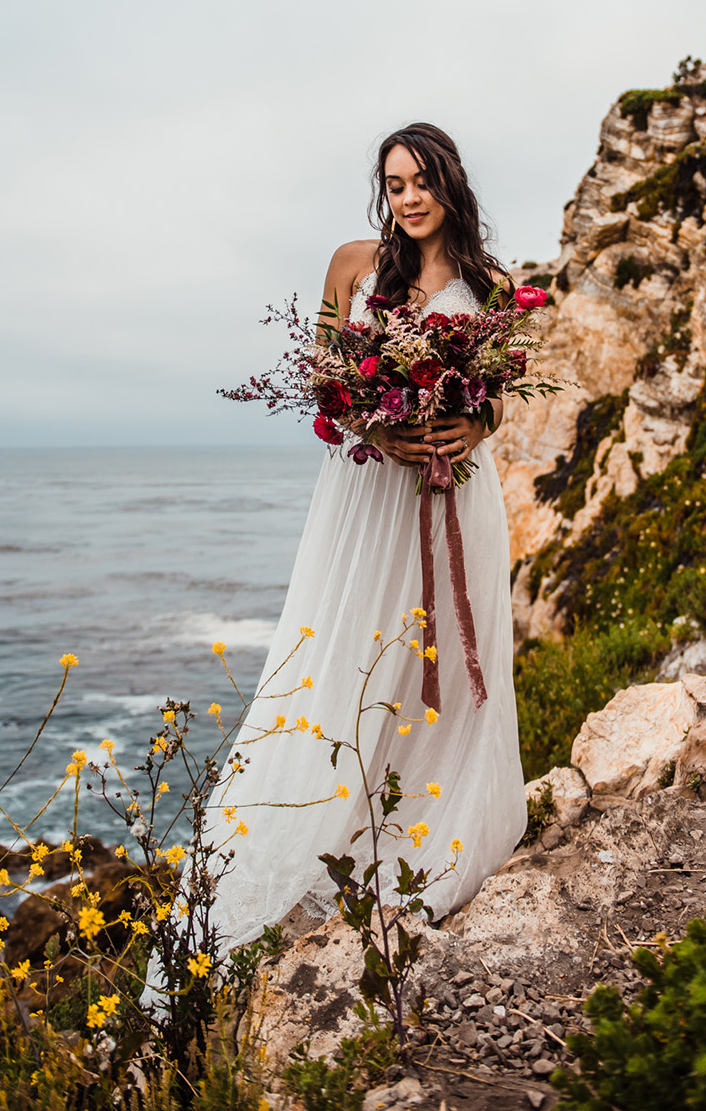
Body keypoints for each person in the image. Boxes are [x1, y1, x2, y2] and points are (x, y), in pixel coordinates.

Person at [202, 123, 527, 951]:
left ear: (450, 184)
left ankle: (433, 830)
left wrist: (473, 432)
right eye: (395, 184)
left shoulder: (491, 286)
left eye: (422, 181)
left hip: (455, 496)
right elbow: (324, 380)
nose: (409, 197)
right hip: (367, 493)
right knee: (353, 650)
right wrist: (380, 435)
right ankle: (329, 838)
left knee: (451, 664)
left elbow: (501, 391)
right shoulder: (351, 263)